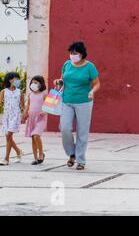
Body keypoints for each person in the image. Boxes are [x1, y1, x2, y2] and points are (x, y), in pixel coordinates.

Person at [54, 41, 101, 170]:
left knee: (82, 131)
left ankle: (80, 159)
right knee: (64, 127)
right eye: (71, 53)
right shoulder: (67, 64)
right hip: (67, 100)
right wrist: (58, 81)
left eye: (75, 53)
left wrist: (92, 91)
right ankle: (71, 154)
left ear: (82, 54)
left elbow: (97, 83)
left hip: (84, 102)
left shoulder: (89, 66)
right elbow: (63, 79)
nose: (72, 55)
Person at [0, 72, 24, 166]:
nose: (18, 81)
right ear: (10, 80)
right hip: (6, 116)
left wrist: (26, 113)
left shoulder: (20, 92)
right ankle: (18, 151)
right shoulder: (4, 91)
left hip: (15, 116)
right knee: (8, 137)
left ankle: (6, 159)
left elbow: (23, 105)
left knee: (9, 135)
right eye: (16, 79)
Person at [22, 76, 48, 165]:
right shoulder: (30, 94)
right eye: (32, 82)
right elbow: (28, 106)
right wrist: (24, 114)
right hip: (31, 118)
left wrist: (45, 111)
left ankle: (41, 154)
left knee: (36, 135)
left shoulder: (44, 94)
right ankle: (36, 158)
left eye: (36, 82)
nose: (34, 84)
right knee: (33, 138)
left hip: (40, 118)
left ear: (41, 84)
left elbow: (49, 105)